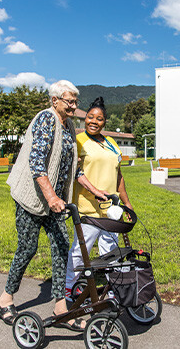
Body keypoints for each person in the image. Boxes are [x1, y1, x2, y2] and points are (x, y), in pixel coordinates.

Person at [0, 80, 106, 331]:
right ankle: (5, 299)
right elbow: (37, 165)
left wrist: (96, 191)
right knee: (27, 248)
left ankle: (60, 308)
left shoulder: (69, 126)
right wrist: (51, 197)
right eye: (70, 101)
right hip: (33, 199)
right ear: (54, 100)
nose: (74, 106)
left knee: (61, 248)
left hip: (55, 203)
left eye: (76, 102)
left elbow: (75, 169)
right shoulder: (46, 119)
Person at [65, 97, 133, 297]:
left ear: (105, 122)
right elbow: (74, 172)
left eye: (99, 118)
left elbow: (118, 174)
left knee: (111, 251)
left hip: (112, 208)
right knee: (80, 251)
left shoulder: (111, 143)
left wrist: (126, 203)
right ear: (85, 119)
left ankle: (112, 291)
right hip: (88, 207)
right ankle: (68, 288)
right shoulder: (78, 141)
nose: (94, 121)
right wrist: (95, 190)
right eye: (90, 117)